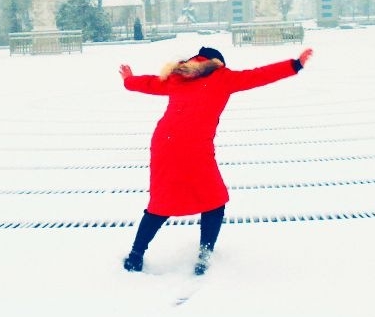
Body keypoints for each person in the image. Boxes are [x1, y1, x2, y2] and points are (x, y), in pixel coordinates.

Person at [118, 45, 314, 275]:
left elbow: (148, 83)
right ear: (218, 63)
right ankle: (205, 255)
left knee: (161, 202)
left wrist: (129, 79)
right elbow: (258, 75)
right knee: (213, 200)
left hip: (165, 144)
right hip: (196, 147)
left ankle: (135, 256)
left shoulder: (177, 77)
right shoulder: (222, 77)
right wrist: (295, 65)